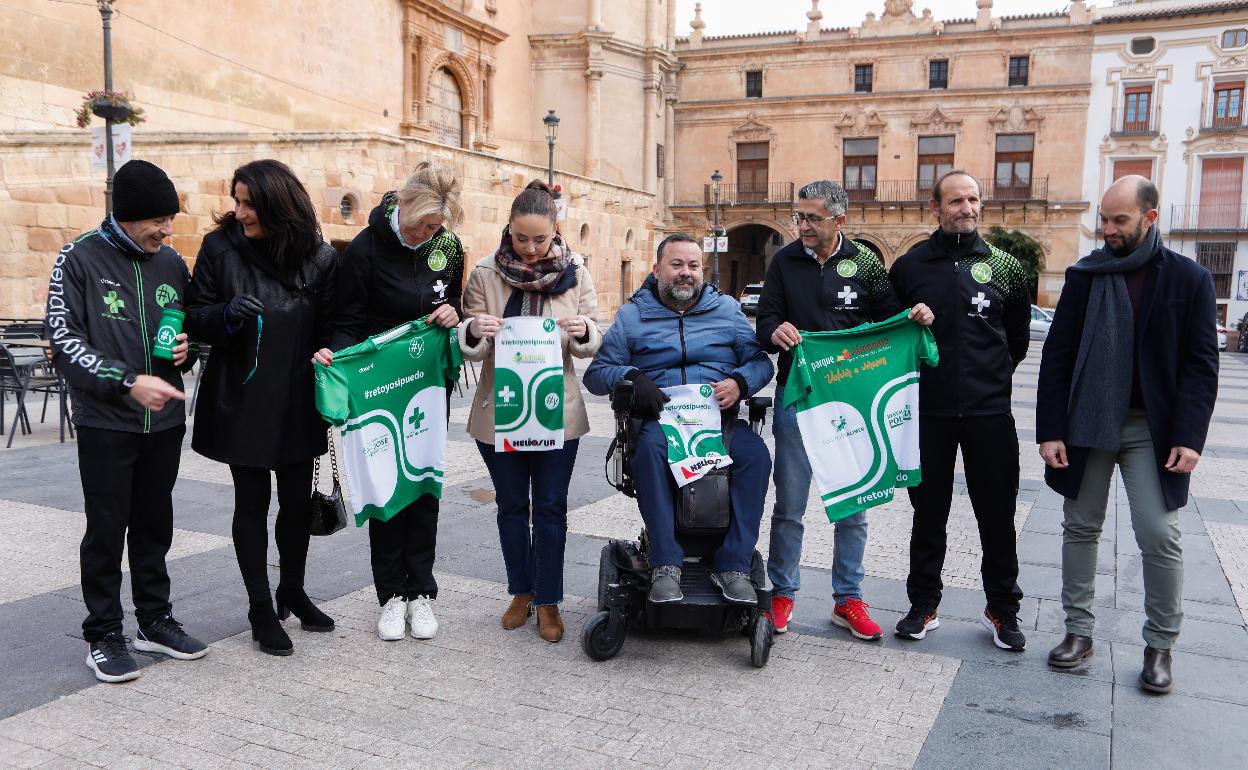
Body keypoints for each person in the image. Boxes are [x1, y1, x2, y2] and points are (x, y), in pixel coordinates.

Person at [1037, 175, 1219, 693]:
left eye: (1120, 220)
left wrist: (1190, 436)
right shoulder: (1085, 275)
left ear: (1149, 218)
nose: (1108, 229)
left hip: (1151, 428)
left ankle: (1160, 645)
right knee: (1080, 526)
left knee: (1159, 534)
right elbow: (1058, 355)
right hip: (1089, 421)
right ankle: (1078, 632)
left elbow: (1201, 364)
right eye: (1104, 219)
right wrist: (1051, 429)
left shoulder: (1188, 278)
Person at [45, 159, 207, 682]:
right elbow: (64, 342)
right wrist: (125, 380)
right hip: (106, 422)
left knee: (155, 526)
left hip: (164, 424)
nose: (168, 230)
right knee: (106, 530)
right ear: (127, 215)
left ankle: (154, 621)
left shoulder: (172, 263)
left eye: (171, 219)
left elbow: (189, 328)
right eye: (158, 220)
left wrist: (187, 351)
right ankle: (103, 633)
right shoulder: (77, 258)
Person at [756, 180, 934, 640]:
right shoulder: (784, 262)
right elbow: (765, 320)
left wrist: (914, 318)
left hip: (853, 399)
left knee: (856, 503)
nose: (803, 225)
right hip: (798, 396)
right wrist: (775, 331)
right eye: (799, 216)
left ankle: (848, 598)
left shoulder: (866, 263)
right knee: (790, 505)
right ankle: (783, 593)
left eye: (813, 218)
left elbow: (890, 320)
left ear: (839, 220)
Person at [185, 159, 338, 656]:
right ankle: (259, 609)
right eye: (237, 200)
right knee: (250, 503)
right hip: (243, 397)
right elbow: (194, 314)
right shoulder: (220, 247)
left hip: (297, 397)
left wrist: (330, 350)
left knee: (296, 504)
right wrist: (225, 315)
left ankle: (292, 589)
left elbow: (334, 325)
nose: (240, 211)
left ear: (278, 204)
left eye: (249, 203)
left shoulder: (320, 257)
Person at [314, 162, 465, 642]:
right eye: (421, 225)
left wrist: (452, 315)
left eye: (435, 228)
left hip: (426, 384)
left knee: (423, 484)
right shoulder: (366, 248)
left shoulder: (448, 247)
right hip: (379, 386)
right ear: (402, 206)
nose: (426, 235)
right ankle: (391, 595)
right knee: (386, 485)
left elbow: (456, 308)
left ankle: (421, 591)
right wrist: (336, 361)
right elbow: (348, 320)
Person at [584, 233, 774, 606]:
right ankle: (665, 563)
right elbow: (596, 374)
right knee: (649, 452)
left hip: (718, 421)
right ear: (657, 270)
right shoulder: (632, 316)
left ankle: (733, 564)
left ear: (702, 271)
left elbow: (759, 362)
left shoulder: (727, 311)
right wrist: (632, 378)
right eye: (676, 265)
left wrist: (740, 382)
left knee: (756, 456)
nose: (685, 272)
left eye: (693, 265)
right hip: (663, 422)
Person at [888, 170, 1030, 651]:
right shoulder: (909, 267)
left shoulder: (1007, 267)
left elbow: (1017, 340)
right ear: (935, 207)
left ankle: (1002, 609)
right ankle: (923, 605)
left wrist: (991, 380)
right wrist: (908, 320)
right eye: (955, 201)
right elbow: (888, 331)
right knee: (928, 514)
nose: (966, 208)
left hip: (990, 414)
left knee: (997, 515)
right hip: (929, 413)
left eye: (972, 199)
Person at [458, 180, 601, 643]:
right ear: (509, 228)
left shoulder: (576, 271)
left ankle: (550, 599)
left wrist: (583, 331)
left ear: (556, 230)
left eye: (540, 239)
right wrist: (474, 329)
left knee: (552, 507)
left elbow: (591, 339)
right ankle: (521, 591)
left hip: (557, 410)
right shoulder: (485, 272)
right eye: (521, 238)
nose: (531, 248)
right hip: (500, 410)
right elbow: (470, 344)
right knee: (512, 506)